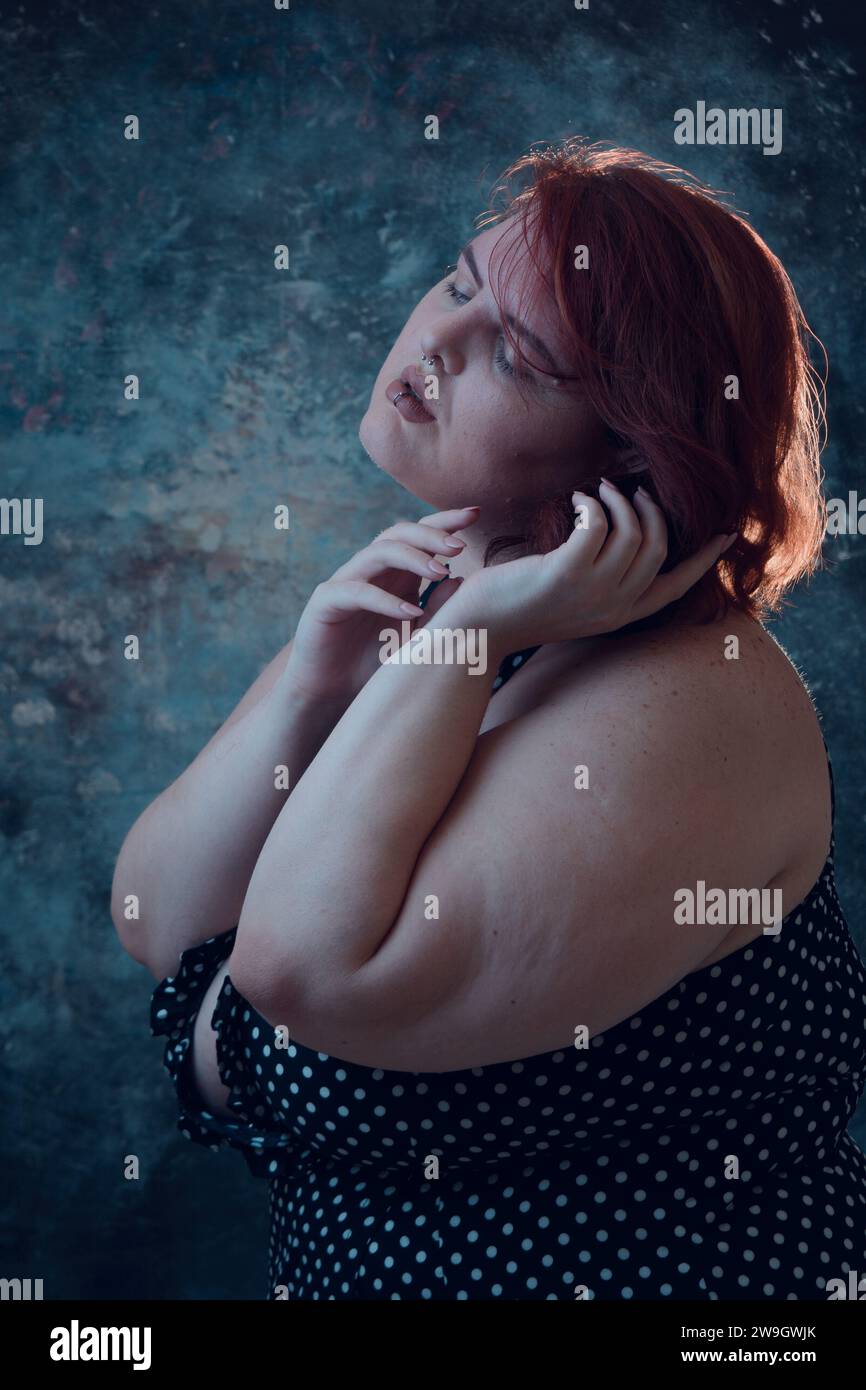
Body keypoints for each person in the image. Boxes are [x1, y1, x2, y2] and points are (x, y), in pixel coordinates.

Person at [113, 139, 866, 1301]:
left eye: (512, 355)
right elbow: (155, 917)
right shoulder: (465, 601)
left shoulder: (686, 700)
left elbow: (293, 970)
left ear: (631, 451)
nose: (434, 344)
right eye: (457, 285)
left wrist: (473, 630)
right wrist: (321, 669)